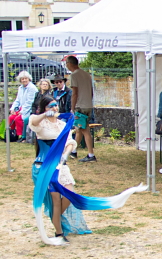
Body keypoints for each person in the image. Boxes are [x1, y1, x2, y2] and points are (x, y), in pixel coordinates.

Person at [29, 95, 91, 242]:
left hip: (61, 165)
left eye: (55, 105)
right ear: (44, 108)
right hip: (44, 166)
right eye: (50, 106)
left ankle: (55, 217)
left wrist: (65, 155)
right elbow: (32, 121)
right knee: (56, 199)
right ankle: (59, 232)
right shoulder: (40, 123)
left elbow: (70, 142)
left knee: (70, 194)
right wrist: (45, 114)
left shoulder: (62, 124)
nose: (54, 108)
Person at [66, 56, 97, 162]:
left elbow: (74, 93)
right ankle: (74, 151)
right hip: (88, 105)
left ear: (70, 64)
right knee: (79, 129)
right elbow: (91, 91)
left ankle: (91, 154)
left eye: (67, 63)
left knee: (84, 130)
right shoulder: (86, 74)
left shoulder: (74, 75)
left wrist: (72, 108)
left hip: (80, 106)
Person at [10, 71, 38, 142]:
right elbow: (17, 100)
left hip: (29, 109)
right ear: (20, 80)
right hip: (21, 108)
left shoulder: (32, 88)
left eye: (26, 78)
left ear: (29, 79)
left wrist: (22, 112)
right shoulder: (20, 88)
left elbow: (30, 102)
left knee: (18, 119)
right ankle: (13, 135)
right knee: (11, 117)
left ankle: (22, 136)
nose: (24, 80)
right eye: (22, 79)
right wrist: (13, 109)